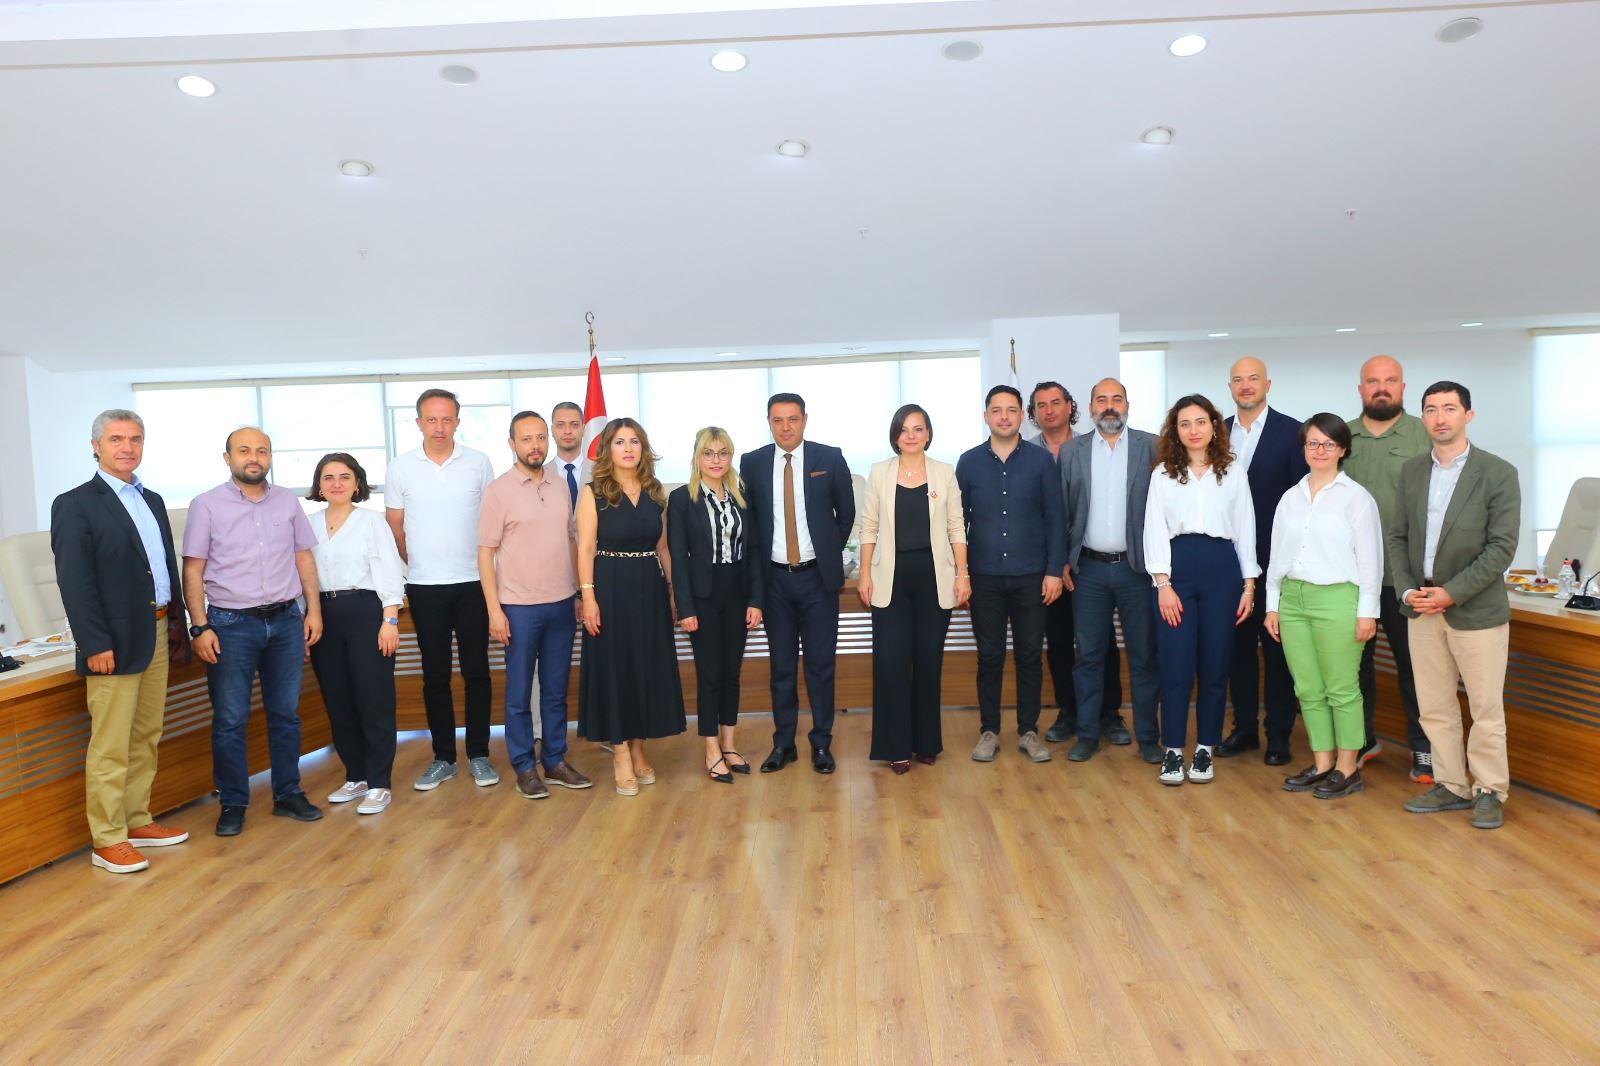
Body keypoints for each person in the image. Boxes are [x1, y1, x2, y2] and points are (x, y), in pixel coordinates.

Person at [50, 409, 190, 874]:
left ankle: (137, 819)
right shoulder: (75, 504)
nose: (127, 447)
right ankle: (108, 838)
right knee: (110, 743)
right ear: (96, 446)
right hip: (112, 639)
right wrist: (94, 643)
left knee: (146, 735)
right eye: (116, 439)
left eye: (135, 439)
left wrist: (180, 624)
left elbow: (162, 568)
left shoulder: (151, 500)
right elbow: (75, 582)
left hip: (157, 630)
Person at [183, 427, 324, 836]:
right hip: (230, 625)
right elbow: (193, 570)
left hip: (285, 621)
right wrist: (199, 626)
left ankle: (288, 794)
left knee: (286, 714)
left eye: (262, 451)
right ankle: (233, 802)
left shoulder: (286, 501)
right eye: (244, 450)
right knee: (230, 719)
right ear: (227, 458)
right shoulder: (206, 505)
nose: (254, 458)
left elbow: (303, 557)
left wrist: (313, 611)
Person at [1392, 382, 1520, 830]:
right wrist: (1406, 591)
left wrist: (1452, 592)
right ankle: (1451, 784)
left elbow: (1501, 548)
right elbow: (1398, 538)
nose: (1440, 417)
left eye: (1449, 408)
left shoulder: (1497, 472)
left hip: (1475, 611)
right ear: (1422, 417)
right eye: (1431, 409)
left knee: (1485, 709)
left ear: (1469, 414)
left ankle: (1489, 790)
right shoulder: (1412, 471)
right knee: (1434, 705)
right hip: (1421, 607)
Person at [384, 388, 498, 791]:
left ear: (457, 422)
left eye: (446, 419)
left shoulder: (478, 462)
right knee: (435, 675)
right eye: (431, 420)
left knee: (476, 672)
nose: (439, 427)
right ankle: (444, 757)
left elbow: (491, 523)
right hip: (424, 586)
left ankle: (479, 754)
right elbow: (395, 528)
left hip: (473, 583)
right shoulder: (400, 467)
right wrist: (416, 563)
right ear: (418, 423)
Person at [1264, 415, 1382, 800]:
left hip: (1338, 599)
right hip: (1293, 600)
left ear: (1342, 449)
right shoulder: (1290, 498)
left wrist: (1367, 612)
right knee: (1308, 688)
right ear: (1303, 448)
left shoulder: (1357, 499)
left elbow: (1371, 561)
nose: (1319, 450)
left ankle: (1348, 768)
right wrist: (1272, 606)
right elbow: (1276, 556)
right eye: (1312, 443)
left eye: (1328, 444)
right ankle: (1322, 763)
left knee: (1341, 688)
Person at [1144, 394, 1258, 786]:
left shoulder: (1233, 472)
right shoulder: (1163, 474)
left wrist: (1248, 586)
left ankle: (1205, 748)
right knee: (1175, 665)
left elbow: (1246, 529)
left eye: (1200, 422)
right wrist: (1162, 584)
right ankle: (1173, 751)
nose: (1193, 430)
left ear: (1214, 426)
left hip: (1222, 571)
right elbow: (1154, 530)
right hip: (1176, 572)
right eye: (1184, 424)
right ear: (1175, 431)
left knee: (1215, 664)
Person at [479, 411, 593, 800]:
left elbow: (572, 540)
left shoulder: (560, 485)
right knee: (519, 695)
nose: (536, 445)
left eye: (541, 437)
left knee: (556, 691)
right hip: (518, 608)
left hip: (561, 604)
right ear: (512, 444)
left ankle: (555, 760)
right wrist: (494, 610)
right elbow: (485, 554)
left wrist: (578, 592)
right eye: (526, 439)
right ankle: (524, 767)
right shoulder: (498, 491)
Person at [740, 393, 855, 774]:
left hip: (817, 581)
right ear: (768, 422)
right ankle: (783, 744)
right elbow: (751, 523)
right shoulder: (752, 462)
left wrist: (827, 552)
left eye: (792, 419)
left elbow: (846, 513)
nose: (785, 427)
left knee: (820, 666)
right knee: (782, 668)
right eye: (778, 420)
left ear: (805, 419)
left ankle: (821, 743)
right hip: (775, 582)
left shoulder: (829, 458)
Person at [576, 418, 687, 794]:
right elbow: (585, 548)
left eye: (634, 441)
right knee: (616, 669)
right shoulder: (593, 492)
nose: (628, 448)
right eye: (620, 442)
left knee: (645, 667)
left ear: (643, 448)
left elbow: (663, 547)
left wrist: (673, 590)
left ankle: (639, 749)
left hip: (649, 588)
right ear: (607, 448)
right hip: (609, 587)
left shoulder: (656, 492)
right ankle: (620, 752)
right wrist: (588, 596)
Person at [956, 385, 1065, 764]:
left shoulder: (1041, 461)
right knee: (989, 657)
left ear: (1021, 416)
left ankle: (1028, 731)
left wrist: (1054, 571)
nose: (1004, 416)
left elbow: (1055, 519)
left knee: (1030, 656)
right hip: (984, 577)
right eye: (997, 410)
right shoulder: (968, 463)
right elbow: (957, 523)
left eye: (1012, 410)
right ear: (986, 416)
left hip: (1031, 577)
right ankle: (989, 731)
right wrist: (961, 573)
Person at [859, 405, 969, 773]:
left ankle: (926, 743)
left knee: (928, 662)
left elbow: (956, 527)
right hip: (889, 578)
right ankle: (896, 746)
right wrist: (864, 573)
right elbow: (869, 526)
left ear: (928, 434)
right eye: (904, 429)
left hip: (933, 578)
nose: (911, 435)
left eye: (918, 429)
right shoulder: (879, 472)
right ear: (895, 436)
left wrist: (963, 574)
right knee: (891, 663)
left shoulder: (944, 472)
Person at [1060, 378, 1163, 765]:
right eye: (1101, 400)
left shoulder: (1152, 447)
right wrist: (1062, 562)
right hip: (1088, 571)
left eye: (1116, 399)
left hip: (1137, 571)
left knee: (1143, 657)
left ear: (1127, 406)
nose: (1109, 406)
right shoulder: (1072, 451)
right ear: (1090, 408)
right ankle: (1088, 734)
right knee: (1088, 657)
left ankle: (1148, 737)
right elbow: (1062, 511)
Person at [1345, 355, 1433, 780]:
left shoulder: (1423, 435)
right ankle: (1362, 741)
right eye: (1373, 381)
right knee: (1355, 667)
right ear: (1360, 389)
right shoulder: (1341, 437)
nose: (1382, 388)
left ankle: (1424, 749)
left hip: (1405, 579)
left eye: (1390, 380)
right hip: (1352, 579)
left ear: (1402, 387)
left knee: (1415, 668)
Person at [305, 453, 404, 815]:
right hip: (323, 615)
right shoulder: (308, 525)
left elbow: (389, 570)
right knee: (338, 700)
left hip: (366, 612)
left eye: (344, 477)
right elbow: (303, 574)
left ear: (357, 483)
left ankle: (379, 782)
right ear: (319, 485)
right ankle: (356, 775)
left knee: (373, 699)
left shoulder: (372, 522)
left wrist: (389, 620)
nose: (336, 484)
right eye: (328, 477)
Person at [1221, 357, 1308, 765]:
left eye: (1253, 378)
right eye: (1238, 380)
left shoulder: (1293, 434)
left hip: (1275, 567)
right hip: (1228, 567)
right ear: (1230, 387)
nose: (1246, 385)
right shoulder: (1216, 433)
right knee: (1236, 652)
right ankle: (1244, 729)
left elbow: (1301, 504)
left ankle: (1278, 734)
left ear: (1267, 384)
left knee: (1277, 654)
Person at [1029, 381, 1125, 747]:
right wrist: (1055, 565)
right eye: (1041, 405)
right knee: (1057, 639)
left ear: (1071, 407)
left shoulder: (1093, 445)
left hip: (1088, 563)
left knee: (1101, 641)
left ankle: (1109, 712)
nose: (1049, 410)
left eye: (1056, 402)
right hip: (1047, 567)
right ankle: (1068, 710)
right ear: (1033, 414)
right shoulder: (1027, 453)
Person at [667, 427, 765, 783]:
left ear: (730, 457)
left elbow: (753, 552)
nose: (716, 460)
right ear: (697, 457)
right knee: (709, 675)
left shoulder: (742, 496)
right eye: (708, 453)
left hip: (737, 592)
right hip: (702, 597)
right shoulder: (682, 499)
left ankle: (729, 745)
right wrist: (686, 608)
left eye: (722, 453)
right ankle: (711, 750)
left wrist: (756, 600)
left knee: (731, 673)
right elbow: (678, 556)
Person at [551, 400, 589, 509]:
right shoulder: (540, 473)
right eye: (560, 425)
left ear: (583, 429)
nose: (567, 431)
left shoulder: (601, 471)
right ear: (552, 430)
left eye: (574, 425)